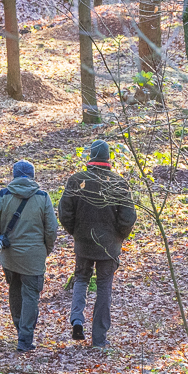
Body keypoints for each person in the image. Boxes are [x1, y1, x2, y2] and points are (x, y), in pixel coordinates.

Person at [58, 140, 136, 347]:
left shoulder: (76, 180)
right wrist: (119, 236)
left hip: (83, 243)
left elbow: (64, 213)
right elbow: (128, 218)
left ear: (91, 156)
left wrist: (75, 232)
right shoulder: (119, 183)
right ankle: (99, 338)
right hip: (109, 246)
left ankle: (77, 321)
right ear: (108, 158)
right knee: (104, 287)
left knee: (81, 280)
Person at [0, 160, 58, 353]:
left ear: (14, 175)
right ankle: (25, 339)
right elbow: (51, 229)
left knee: (15, 291)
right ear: (33, 176)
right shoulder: (43, 197)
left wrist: (1, 241)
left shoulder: (2, 195)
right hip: (34, 257)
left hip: (10, 256)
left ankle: (20, 329)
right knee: (31, 296)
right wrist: (45, 250)